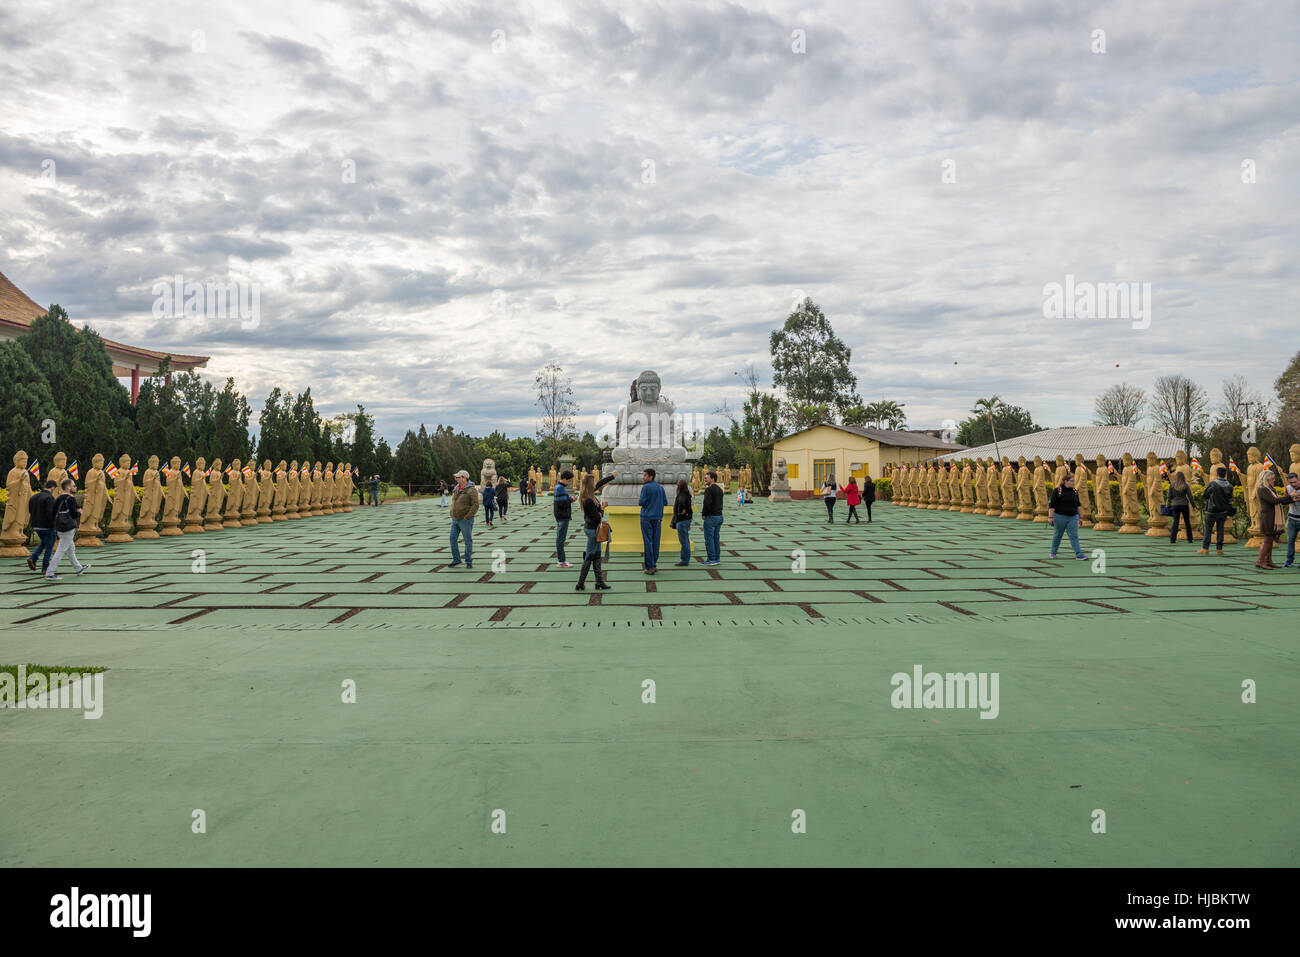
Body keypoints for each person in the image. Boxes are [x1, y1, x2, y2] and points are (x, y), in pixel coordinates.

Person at [576, 470, 616, 590]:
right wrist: (603, 508)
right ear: (589, 485)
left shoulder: (589, 495)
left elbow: (600, 484)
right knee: (589, 556)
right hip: (593, 530)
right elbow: (596, 517)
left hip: (594, 530)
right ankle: (580, 583)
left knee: (597, 555)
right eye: (593, 482)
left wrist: (611, 477)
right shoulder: (588, 500)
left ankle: (599, 581)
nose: (595, 484)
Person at [45, 479, 90, 581]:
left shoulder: (58, 499)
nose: (75, 487)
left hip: (60, 527)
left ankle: (78, 568)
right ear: (68, 488)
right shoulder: (70, 499)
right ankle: (49, 573)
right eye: (74, 486)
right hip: (68, 527)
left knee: (71, 549)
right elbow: (74, 514)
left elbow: (53, 514)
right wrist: (80, 512)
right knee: (61, 550)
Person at [1255, 469, 1294, 569]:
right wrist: (1290, 496)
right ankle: (1260, 561)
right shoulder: (1262, 489)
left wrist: (1293, 499)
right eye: (1272, 479)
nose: (1273, 481)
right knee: (1268, 539)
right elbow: (1273, 501)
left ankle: (1268, 560)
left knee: (1270, 539)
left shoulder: (1270, 488)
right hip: (1268, 517)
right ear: (1266, 479)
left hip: (1271, 517)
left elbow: (1279, 501)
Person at [1047, 472, 1088, 559]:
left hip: (1073, 517)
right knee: (1058, 535)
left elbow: (1078, 505)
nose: (1073, 483)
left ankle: (1078, 554)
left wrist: (1081, 517)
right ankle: (1053, 552)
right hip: (1059, 517)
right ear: (1065, 481)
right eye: (1071, 481)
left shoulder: (1074, 491)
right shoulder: (1057, 491)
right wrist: (1050, 517)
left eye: (1073, 481)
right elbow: (1052, 505)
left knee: (1074, 536)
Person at [1198, 466, 1234, 555]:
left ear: (1217, 474)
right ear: (1225, 475)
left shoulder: (1213, 484)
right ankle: (1219, 549)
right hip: (1223, 511)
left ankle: (1205, 548)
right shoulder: (1230, 486)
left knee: (1208, 530)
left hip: (1211, 510)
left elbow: (1205, 495)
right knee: (1220, 529)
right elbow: (1230, 499)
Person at [637, 467, 667, 574]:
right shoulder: (660, 488)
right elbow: (665, 502)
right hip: (657, 518)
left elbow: (641, 502)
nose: (643, 477)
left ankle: (649, 566)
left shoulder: (646, 487)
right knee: (655, 542)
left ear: (651, 476)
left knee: (648, 542)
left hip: (646, 517)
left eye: (645, 475)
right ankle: (653, 564)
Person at [448, 470, 479, 568]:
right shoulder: (457, 487)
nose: (456, 479)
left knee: (467, 541)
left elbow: (475, 505)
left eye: (458, 477)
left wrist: (468, 516)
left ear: (464, 478)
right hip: (455, 519)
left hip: (465, 520)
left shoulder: (471, 490)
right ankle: (456, 559)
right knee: (452, 539)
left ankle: (468, 561)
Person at [26, 479, 58, 575]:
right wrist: (55, 525)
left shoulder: (34, 497)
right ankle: (45, 567)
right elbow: (50, 514)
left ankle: (33, 558)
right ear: (52, 487)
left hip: (36, 525)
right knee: (49, 547)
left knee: (43, 543)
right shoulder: (49, 498)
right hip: (47, 526)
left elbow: (30, 510)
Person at [697, 469, 723, 566]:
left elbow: (707, 504)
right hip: (719, 516)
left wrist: (704, 514)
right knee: (716, 538)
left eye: (706, 478)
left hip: (711, 517)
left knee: (709, 539)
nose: (705, 480)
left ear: (712, 479)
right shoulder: (719, 489)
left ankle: (711, 559)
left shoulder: (709, 490)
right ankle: (717, 558)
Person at [553, 470, 575, 568]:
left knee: (560, 539)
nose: (569, 482)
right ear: (565, 479)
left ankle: (561, 560)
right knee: (560, 539)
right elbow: (562, 503)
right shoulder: (560, 488)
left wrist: (570, 499)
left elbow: (562, 500)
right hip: (562, 516)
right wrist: (571, 500)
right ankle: (561, 561)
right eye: (569, 480)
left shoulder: (559, 487)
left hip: (560, 516)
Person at [1165, 471, 1193, 543]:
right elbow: (1190, 496)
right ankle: (1190, 539)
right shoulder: (1185, 485)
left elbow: (1169, 496)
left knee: (1175, 522)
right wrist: (1194, 506)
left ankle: (1172, 539)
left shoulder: (1172, 485)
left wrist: (1167, 505)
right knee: (1187, 522)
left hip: (1175, 505)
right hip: (1184, 505)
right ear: (1183, 477)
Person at [671, 479, 693, 566]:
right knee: (686, 540)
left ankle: (684, 560)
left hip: (682, 520)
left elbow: (681, 506)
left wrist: (679, 513)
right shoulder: (687, 494)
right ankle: (685, 559)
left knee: (683, 541)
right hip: (686, 519)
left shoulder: (682, 496)